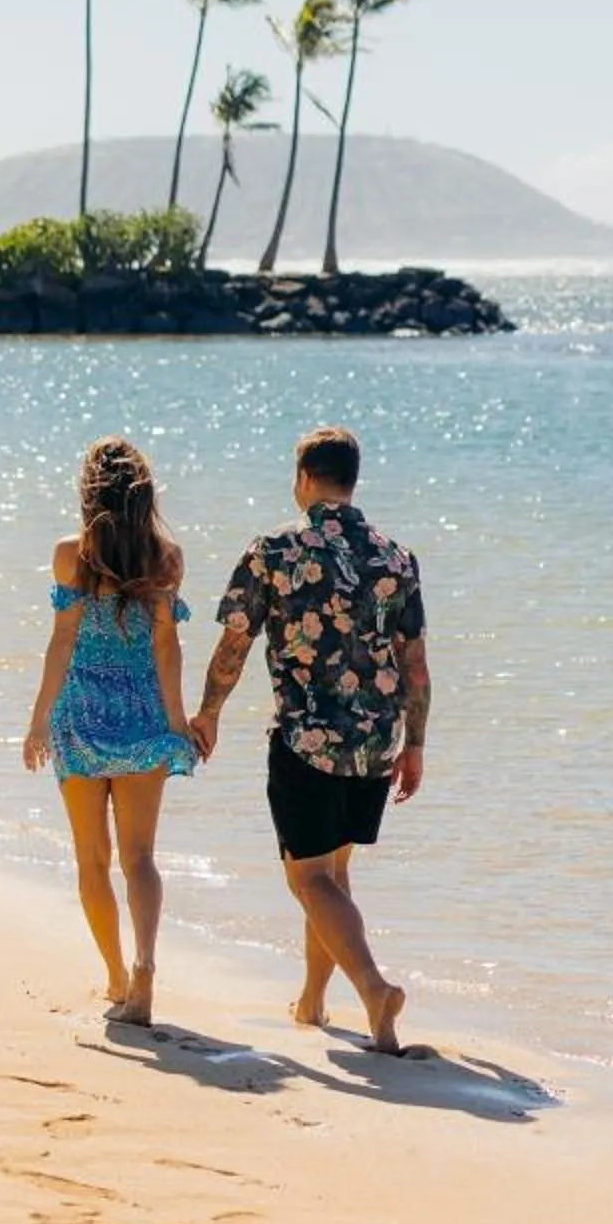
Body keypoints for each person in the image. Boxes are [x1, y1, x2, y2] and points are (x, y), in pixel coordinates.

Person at [189, 424, 430, 1054]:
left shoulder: (274, 551)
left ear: (302, 479)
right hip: (376, 742)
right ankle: (313, 1002)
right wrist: (416, 744)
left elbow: (234, 646)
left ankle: (375, 990)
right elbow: (416, 666)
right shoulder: (395, 556)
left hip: (307, 741)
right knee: (333, 872)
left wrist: (208, 712)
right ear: (352, 481)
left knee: (310, 881)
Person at [22, 435, 197, 1027]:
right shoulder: (167, 557)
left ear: (88, 492)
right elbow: (167, 648)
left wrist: (38, 720)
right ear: (146, 496)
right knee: (141, 857)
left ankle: (116, 977)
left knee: (92, 860)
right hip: (144, 716)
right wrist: (177, 726)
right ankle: (146, 965)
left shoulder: (71, 554)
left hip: (81, 717)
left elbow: (62, 641)